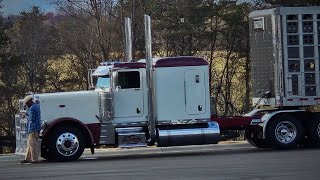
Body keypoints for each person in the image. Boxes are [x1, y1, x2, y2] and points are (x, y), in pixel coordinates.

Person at [19, 95, 41, 164]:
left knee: (32, 144)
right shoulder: (37, 106)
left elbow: (31, 119)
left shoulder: (32, 108)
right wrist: (27, 115)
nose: (27, 105)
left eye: (27, 104)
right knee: (30, 144)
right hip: (36, 128)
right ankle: (27, 158)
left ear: (29, 102)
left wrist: (25, 116)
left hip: (32, 128)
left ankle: (34, 159)